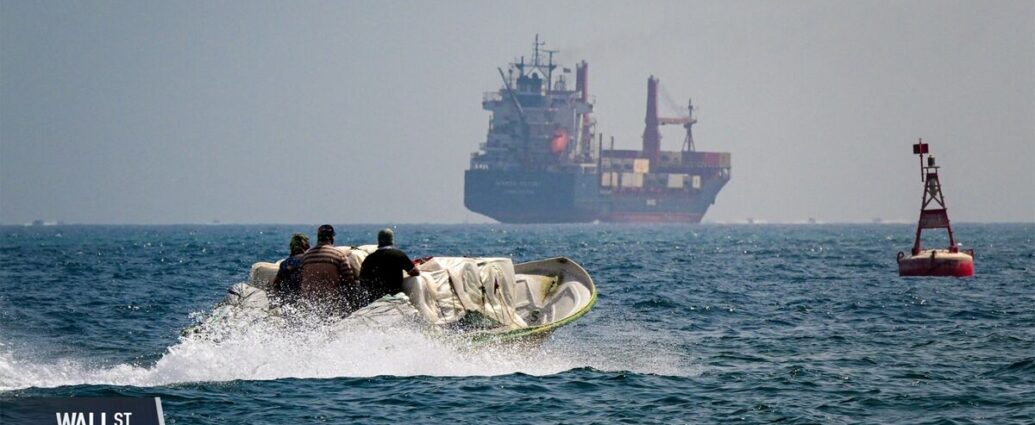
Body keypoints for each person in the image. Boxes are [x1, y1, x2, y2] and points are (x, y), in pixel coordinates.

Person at [300, 224, 356, 313]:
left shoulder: (306, 255)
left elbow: (300, 276)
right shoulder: (338, 254)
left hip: (308, 303)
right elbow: (349, 281)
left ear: (318, 238)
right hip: (331, 303)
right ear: (332, 238)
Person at [359, 228, 420, 305]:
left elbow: (362, 280)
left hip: (374, 299)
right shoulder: (399, 255)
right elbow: (415, 272)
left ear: (379, 241)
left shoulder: (369, 258)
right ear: (392, 240)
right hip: (395, 296)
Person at [269, 232, 310, 305]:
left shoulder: (285, 263)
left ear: (292, 247)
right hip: (305, 301)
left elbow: (276, 285)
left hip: (288, 303)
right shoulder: (309, 261)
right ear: (307, 246)